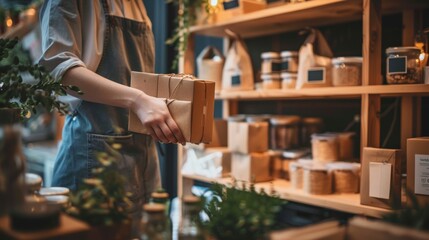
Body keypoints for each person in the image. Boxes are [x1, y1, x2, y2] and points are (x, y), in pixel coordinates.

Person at [38, 0, 185, 234]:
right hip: (93, 160)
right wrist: (137, 100)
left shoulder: (137, 5)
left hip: (143, 161)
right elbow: (59, 71)